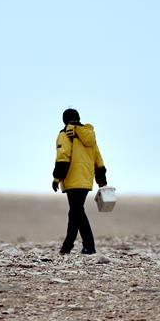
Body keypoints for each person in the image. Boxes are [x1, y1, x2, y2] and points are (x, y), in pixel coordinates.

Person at [52, 108, 108, 255]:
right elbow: (98, 159)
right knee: (77, 212)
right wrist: (101, 180)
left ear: (64, 120)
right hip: (86, 179)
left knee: (76, 213)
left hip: (72, 179)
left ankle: (71, 246)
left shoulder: (65, 135)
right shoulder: (90, 136)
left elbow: (63, 157)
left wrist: (56, 178)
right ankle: (82, 246)